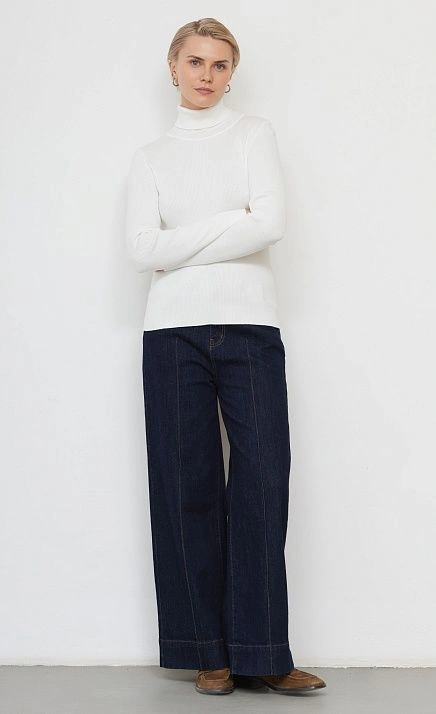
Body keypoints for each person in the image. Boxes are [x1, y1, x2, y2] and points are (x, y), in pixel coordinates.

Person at [125, 17, 327, 696]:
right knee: (185, 488)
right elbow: (140, 251)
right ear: (173, 67)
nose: (206, 75)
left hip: (250, 326)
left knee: (263, 483)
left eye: (218, 64)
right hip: (171, 331)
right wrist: (230, 224)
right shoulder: (151, 157)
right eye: (195, 62)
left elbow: (270, 223)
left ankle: (263, 652)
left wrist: (182, 241)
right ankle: (207, 653)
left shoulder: (253, 135)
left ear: (232, 73)